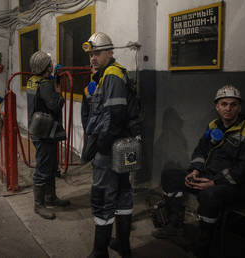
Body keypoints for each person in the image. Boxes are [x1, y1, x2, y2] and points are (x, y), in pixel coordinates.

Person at [151, 85, 245, 257]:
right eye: (224, 104)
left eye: (233, 104)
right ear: (217, 106)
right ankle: (175, 225)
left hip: (236, 185)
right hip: (207, 176)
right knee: (170, 176)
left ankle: (204, 243)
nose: (228, 108)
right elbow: (200, 151)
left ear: (239, 107)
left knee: (209, 195)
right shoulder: (213, 125)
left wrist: (214, 182)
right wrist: (195, 171)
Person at [81, 32, 133, 258]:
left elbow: (114, 114)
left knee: (102, 195)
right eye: (91, 54)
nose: (93, 58)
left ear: (110, 52)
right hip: (124, 144)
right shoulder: (111, 73)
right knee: (123, 192)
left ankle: (100, 252)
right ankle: (123, 245)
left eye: (97, 53)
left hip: (111, 147)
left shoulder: (111, 75)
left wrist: (101, 145)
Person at [28, 51, 69, 220]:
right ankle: (39, 205)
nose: (52, 66)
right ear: (46, 67)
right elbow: (55, 105)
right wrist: (59, 92)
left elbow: (43, 94)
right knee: (43, 168)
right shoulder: (45, 85)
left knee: (51, 165)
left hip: (40, 129)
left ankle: (50, 197)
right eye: (50, 64)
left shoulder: (33, 81)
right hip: (45, 133)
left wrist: (54, 79)